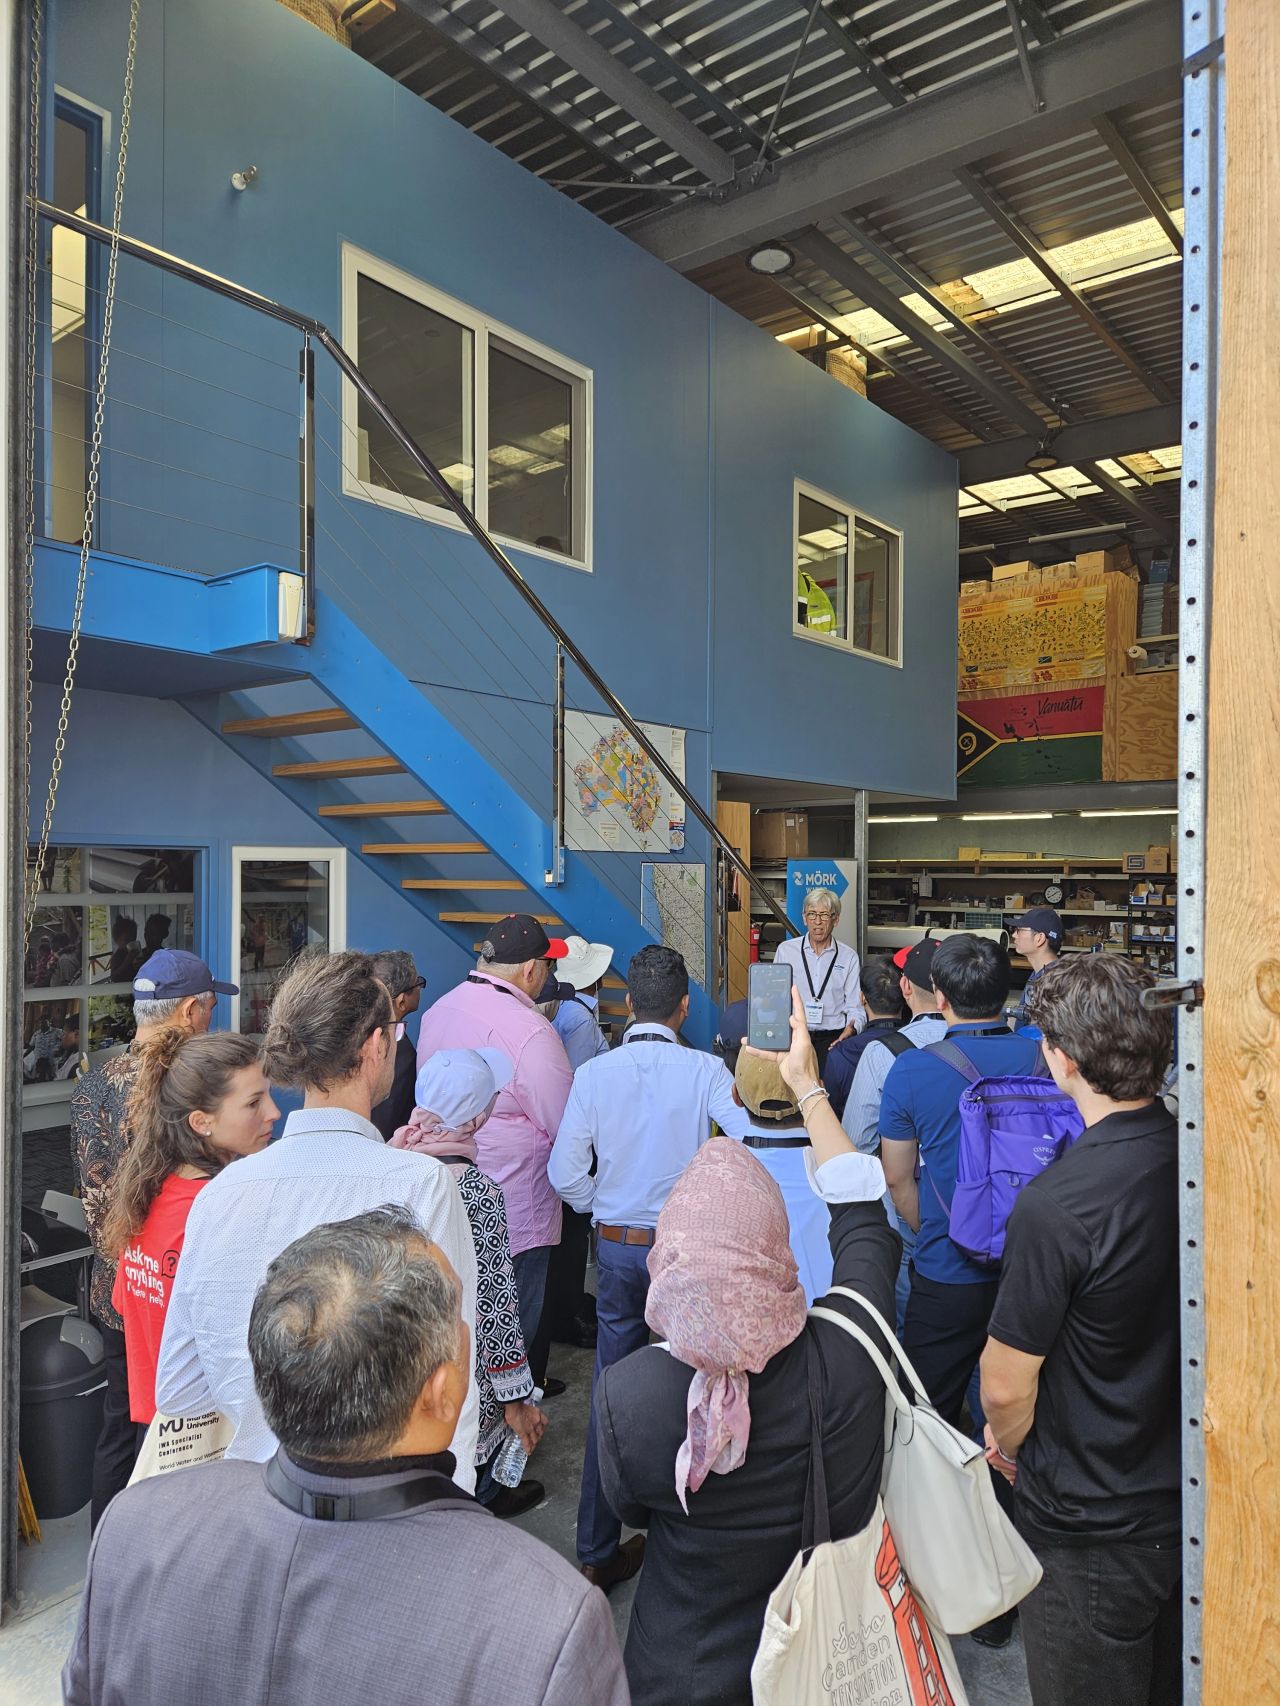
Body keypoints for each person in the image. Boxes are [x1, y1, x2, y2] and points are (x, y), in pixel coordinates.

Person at [64, 1209, 629, 1706]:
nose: (468, 1330)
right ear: (440, 1393)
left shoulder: (135, 1527)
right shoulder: (548, 1621)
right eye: (461, 1314)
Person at [595, 985, 900, 1706]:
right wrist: (811, 1089)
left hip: (684, 1668)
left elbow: (633, 1508)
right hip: (830, 1658)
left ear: (670, 1259)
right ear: (776, 1249)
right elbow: (862, 1211)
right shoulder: (851, 1353)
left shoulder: (629, 1396)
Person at [155, 949, 482, 1489]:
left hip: (255, 1494)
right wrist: (454, 1501)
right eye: (395, 1033)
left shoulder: (218, 1194)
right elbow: (456, 1380)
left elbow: (180, 1390)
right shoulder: (420, 1183)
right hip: (382, 1496)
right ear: (375, 1044)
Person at [980, 955, 1180, 1705]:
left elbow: (1006, 1387)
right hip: (1190, 1501)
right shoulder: (1198, 1160)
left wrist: (1012, 1447)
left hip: (1089, 1525)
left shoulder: (1059, 1204)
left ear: (1062, 1059)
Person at [548, 945, 750, 1593]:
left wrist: (603, 1209)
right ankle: (686, 1539)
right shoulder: (705, 1070)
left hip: (617, 1249)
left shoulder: (594, 1074)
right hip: (684, 1253)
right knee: (693, 1387)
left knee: (610, 1391)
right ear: (684, 1007)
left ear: (629, 1002)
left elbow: (563, 1174)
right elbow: (750, 1139)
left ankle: (596, 1547)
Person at [879, 932, 1041, 1648]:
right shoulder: (1042, 1055)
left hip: (948, 1274)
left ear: (937, 998)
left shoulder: (913, 1071)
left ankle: (945, 1575)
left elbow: (897, 1179)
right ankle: (1012, 1583)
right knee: (1018, 1417)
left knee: (930, 1422)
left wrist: (935, 1236)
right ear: (1006, 992)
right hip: (1032, 1275)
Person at [71, 948, 234, 1528]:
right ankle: (157, 1547)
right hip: (169, 1288)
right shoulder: (184, 1087)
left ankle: (106, 1543)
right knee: (177, 1432)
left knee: (120, 1423)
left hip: (115, 1287)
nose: (211, 1018)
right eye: (210, 1007)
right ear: (190, 1011)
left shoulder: (94, 1081)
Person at [416, 915, 574, 1380]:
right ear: (531, 970)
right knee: (511, 1331)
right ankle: (509, 1415)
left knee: (457, 1327)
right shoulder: (530, 1031)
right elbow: (565, 1122)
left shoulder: (439, 1009)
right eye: (547, 966)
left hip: (444, 1194)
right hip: (515, 1210)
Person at [392, 1048, 548, 1517]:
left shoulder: (395, 1161)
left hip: (399, 1350)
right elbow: (496, 1302)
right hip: (456, 1354)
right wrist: (515, 1397)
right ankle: (480, 1501)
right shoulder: (476, 1191)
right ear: (478, 1119)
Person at [103, 1030, 278, 1434]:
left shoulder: (149, 1193)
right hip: (210, 1430)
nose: (273, 1112)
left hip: (160, 1427)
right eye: (253, 1102)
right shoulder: (220, 1210)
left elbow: (127, 1305)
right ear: (201, 1122)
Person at [842, 938, 946, 1329]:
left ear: (905, 987)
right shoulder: (991, 1044)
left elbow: (856, 1143)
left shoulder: (884, 1052)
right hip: (985, 1211)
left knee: (908, 1326)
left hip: (911, 1213)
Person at [541, 935, 612, 1359]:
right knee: (572, 1230)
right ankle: (567, 1312)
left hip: (555, 1129)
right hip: (577, 1131)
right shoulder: (581, 1020)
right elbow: (581, 1083)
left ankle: (564, 1306)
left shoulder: (560, 1011)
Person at [771, 889, 862, 1071]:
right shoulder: (786, 951)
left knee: (828, 1088)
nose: (817, 922)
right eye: (812, 914)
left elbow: (855, 1007)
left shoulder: (849, 957)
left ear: (836, 919)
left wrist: (852, 1028)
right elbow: (775, 999)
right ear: (804, 918)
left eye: (824, 915)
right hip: (795, 1036)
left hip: (833, 1040)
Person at [822, 951, 909, 1118]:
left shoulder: (840, 1054)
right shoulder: (923, 1045)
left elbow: (830, 1114)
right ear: (905, 994)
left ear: (862, 998)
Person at [369, 949, 426, 1141]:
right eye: (418, 984)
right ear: (401, 1001)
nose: (420, 989)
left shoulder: (355, 1035)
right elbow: (387, 1119)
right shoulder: (398, 1051)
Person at [1009, 905, 1063, 1033]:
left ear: (1039, 938)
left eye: (1019, 930)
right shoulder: (1042, 973)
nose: (1014, 935)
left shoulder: (1051, 983)